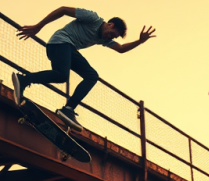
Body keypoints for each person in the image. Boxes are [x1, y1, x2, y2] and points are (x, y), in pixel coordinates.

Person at [14, 7, 156, 131]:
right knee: (62, 75)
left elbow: (121, 49)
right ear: (110, 24)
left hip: (68, 50)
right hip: (60, 42)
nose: (109, 37)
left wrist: (140, 41)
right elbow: (63, 10)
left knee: (91, 76)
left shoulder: (104, 39)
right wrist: (39, 26)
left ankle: (68, 109)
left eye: (113, 37)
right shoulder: (92, 18)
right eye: (112, 34)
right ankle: (24, 80)